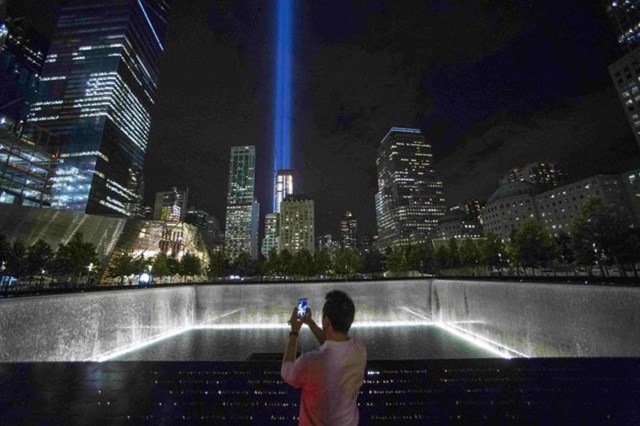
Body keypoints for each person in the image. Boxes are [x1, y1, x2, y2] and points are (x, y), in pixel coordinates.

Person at [281, 290, 367, 426]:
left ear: (326, 322)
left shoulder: (311, 361)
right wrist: (310, 323)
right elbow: (335, 346)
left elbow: (286, 371)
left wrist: (294, 331)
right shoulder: (360, 351)